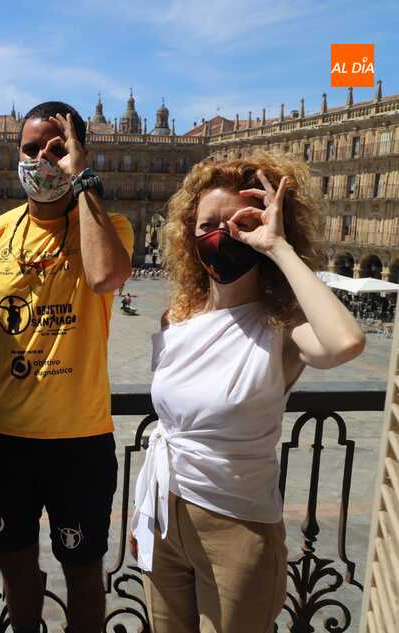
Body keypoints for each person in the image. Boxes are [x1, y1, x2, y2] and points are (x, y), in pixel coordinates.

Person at [128, 155, 366, 633]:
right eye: (207, 224)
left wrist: (277, 247)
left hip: (237, 525)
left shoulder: (282, 328)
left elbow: (345, 342)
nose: (221, 235)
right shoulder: (176, 320)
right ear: (188, 235)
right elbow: (169, 428)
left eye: (240, 222)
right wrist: (142, 514)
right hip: (163, 516)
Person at [0, 102, 133, 633]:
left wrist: (82, 182)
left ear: (79, 154)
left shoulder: (108, 224)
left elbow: (104, 278)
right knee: (16, 573)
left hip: (81, 440)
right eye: (32, 149)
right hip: (6, 437)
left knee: (83, 575)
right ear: (17, 153)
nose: (42, 159)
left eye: (57, 148)